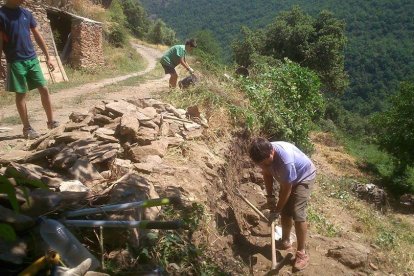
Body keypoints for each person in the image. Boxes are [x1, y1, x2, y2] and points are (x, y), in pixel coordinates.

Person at [249, 137, 317, 271]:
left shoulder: (285, 161)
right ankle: (285, 241)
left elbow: (287, 189)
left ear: (271, 152)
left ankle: (302, 253)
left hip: (304, 176)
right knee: (286, 211)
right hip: (289, 179)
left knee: (297, 212)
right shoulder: (262, 155)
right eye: (260, 164)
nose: (264, 166)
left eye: (265, 163)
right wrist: (269, 197)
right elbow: (267, 175)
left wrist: (276, 211)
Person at [0, 0, 59, 139]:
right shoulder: (1, 14)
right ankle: (27, 128)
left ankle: (51, 122)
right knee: (21, 94)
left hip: (32, 58)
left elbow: (37, 35)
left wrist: (48, 56)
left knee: (44, 88)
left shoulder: (26, 13)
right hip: (15, 61)